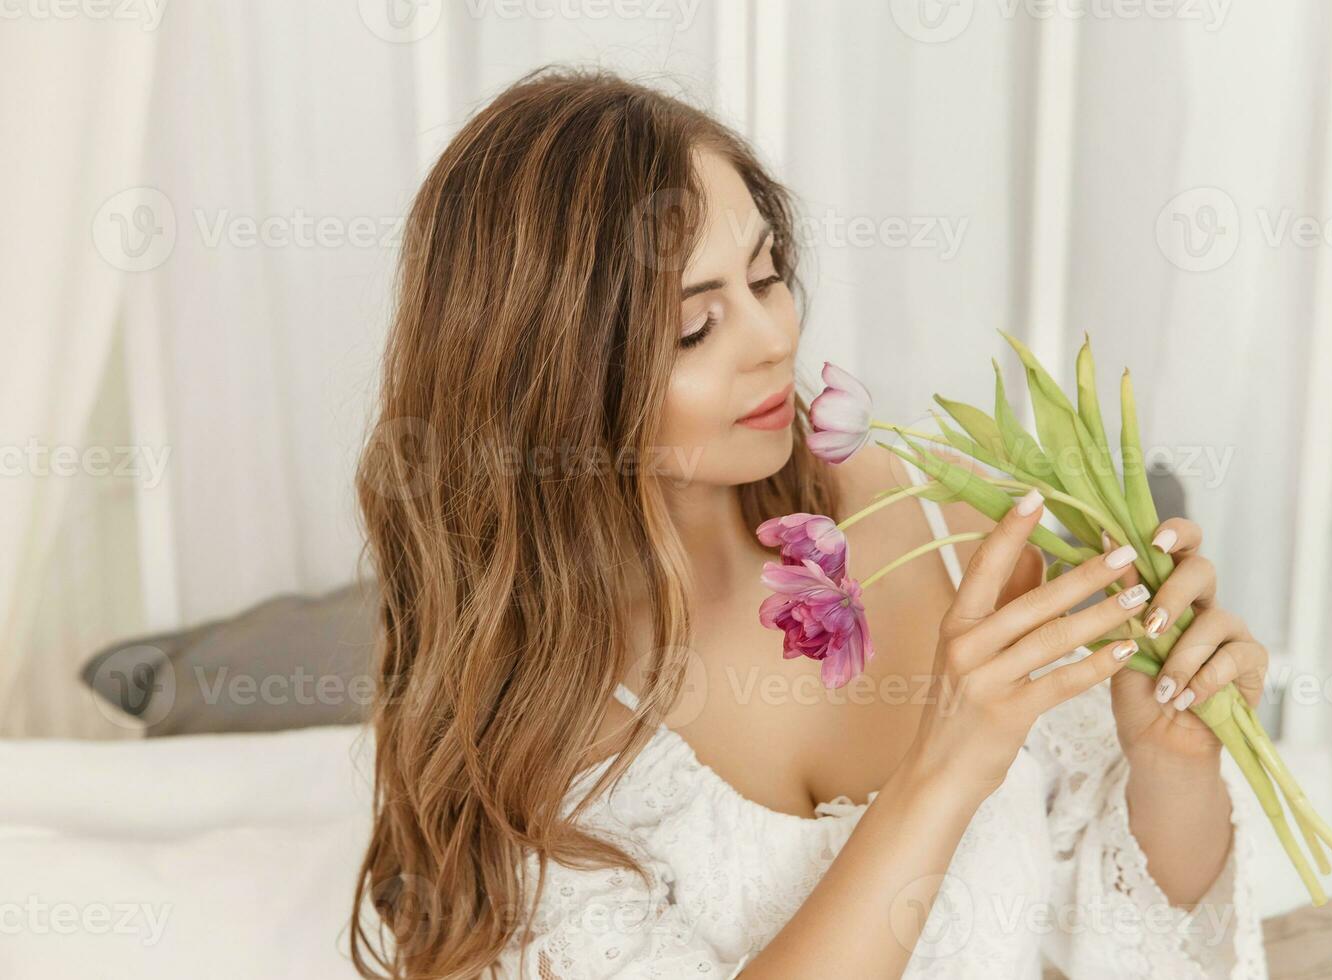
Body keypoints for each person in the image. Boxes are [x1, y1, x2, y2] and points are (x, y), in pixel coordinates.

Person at [349, 66, 1269, 979]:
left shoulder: (946, 523)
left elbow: (1151, 927)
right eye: (695, 329)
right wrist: (946, 765)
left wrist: (1169, 760)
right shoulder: (528, 734)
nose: (774, 338)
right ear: (547, 389)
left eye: (767, 275)